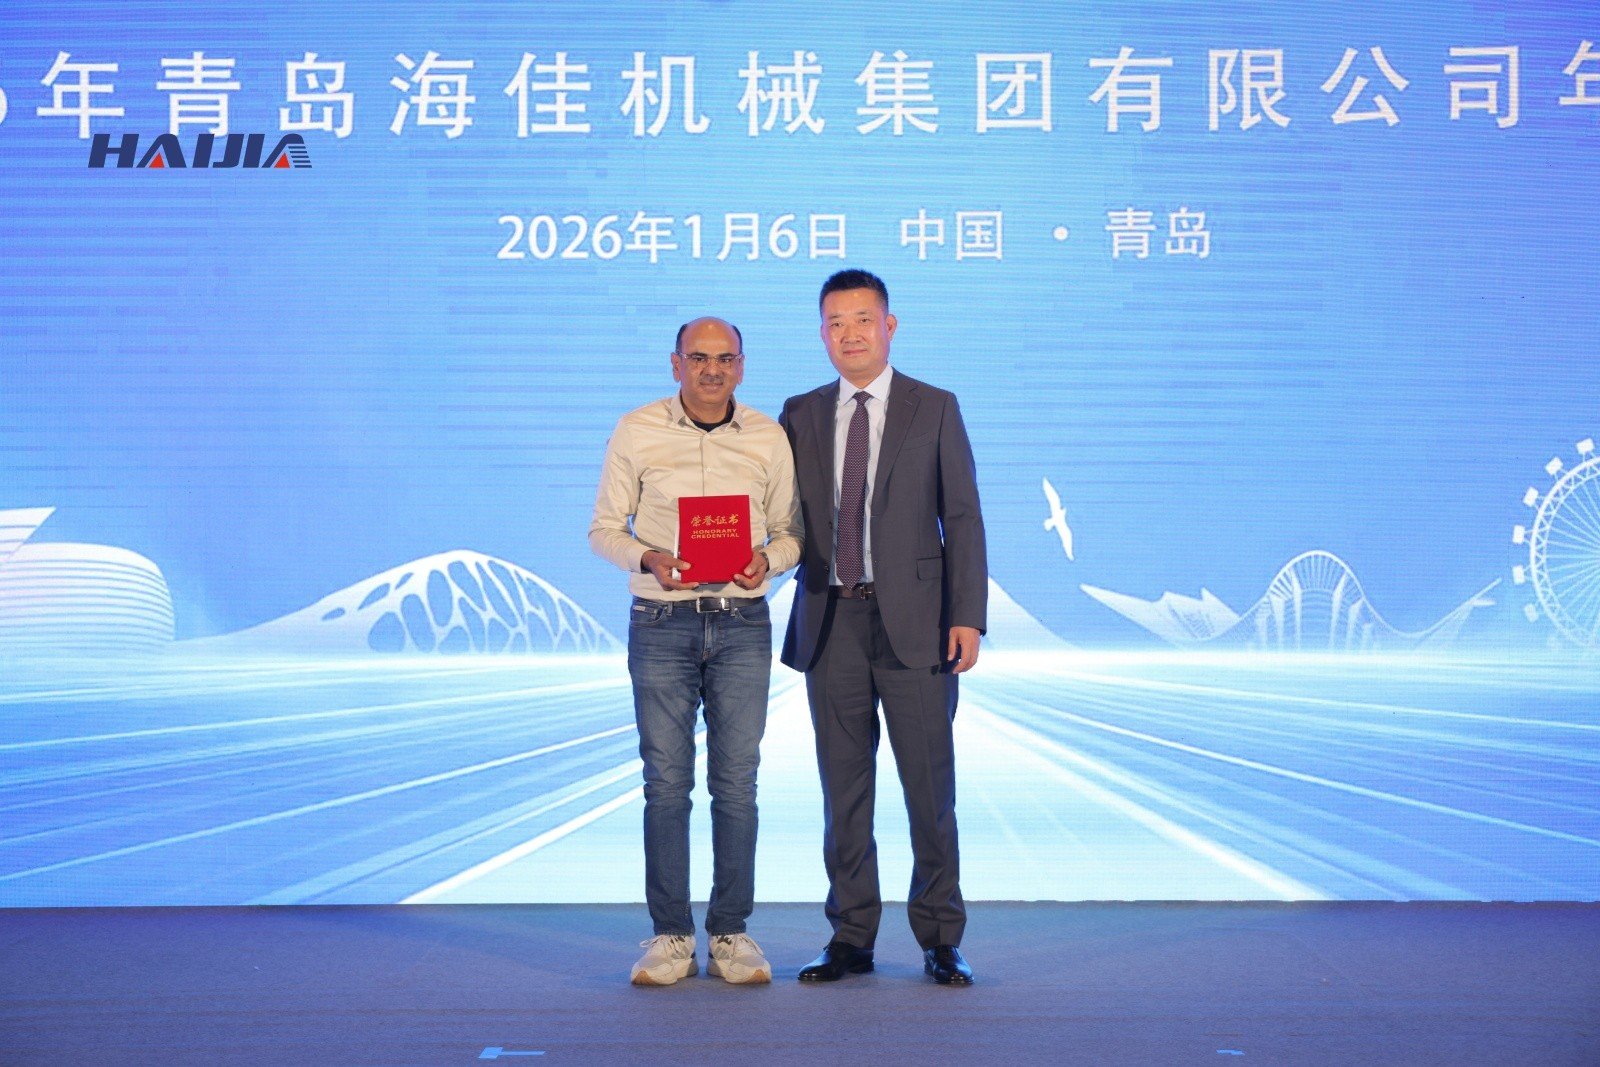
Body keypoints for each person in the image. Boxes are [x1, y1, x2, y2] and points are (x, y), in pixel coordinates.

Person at [780, 269, 987, 986]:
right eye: (835, 323)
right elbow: (780, 513)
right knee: (844, 790)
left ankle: (940, 937)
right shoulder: (800, 413)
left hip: (919, 626)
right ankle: (850, 936)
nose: (850, 334)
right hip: (830, 618)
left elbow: (962, 516)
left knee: (929, 789)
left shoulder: (935, 407)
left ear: (889, 326)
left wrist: (967, 615)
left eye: (862, 319)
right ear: (822, 334)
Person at [590, 316, 800, 986]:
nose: (713, 370)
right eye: (699, 358)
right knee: (665, 782)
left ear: (742, 366)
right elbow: (603, 529)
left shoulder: (768, 435)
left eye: (725, 358)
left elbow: (792, 533)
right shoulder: (636, 429)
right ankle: (671, 936)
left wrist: (769, 559)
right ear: (675, 363)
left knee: (736, 782)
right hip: (661, 621)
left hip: (742, 622)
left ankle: (731, 933)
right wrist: (646, 557)